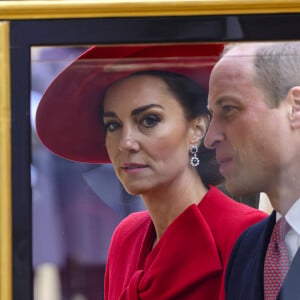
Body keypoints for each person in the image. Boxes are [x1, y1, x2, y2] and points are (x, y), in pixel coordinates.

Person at [35, 43, 266, 300]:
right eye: (113, 125)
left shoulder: (246, 234)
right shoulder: (126, 237)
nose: (126, 142)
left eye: (149, 120)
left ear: (197, 129)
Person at [204, 42, 300, 300]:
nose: (210, 138)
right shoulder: (246, 249)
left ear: (296, 107)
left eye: (229, 110)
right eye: (212, 114)